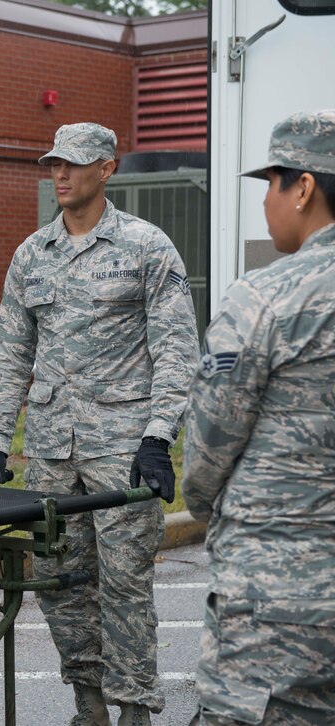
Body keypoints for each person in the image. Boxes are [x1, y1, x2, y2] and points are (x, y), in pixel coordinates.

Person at [0, 122, 199, 726]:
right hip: (52, 450)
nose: (61, 174)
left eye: (74, 164)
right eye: (54, 163)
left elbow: (178, 350)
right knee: (59, 581)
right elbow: (12, 355)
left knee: (125, 584)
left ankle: (135, 710)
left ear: (108, 168)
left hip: (123, 450)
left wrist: (159, 436)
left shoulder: (146, 246)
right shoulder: (31, 254)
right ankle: (89, 702)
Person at [182, 110, 335, 726]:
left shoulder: (265, 297)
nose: (267, 202)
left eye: (272, 182)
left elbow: (208, 449)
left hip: (277, 597)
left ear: (302, 187)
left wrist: (200, 500)